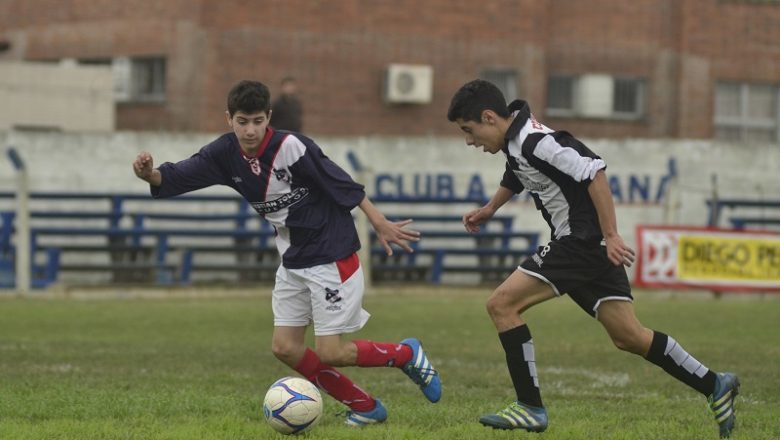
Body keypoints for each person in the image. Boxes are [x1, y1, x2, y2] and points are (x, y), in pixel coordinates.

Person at [132, 80, 441, 427]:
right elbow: (178, 176)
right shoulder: (224, 153)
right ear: (228, 120)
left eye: (257, 121)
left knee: (331, 352)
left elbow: (340, 182)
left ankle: (406, 354)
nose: (250, 130)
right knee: (285, 347)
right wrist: (150, 174)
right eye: (242, 121)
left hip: (331, 253)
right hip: (293, 258)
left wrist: (379, 222)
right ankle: (365, 406)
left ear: (269, 118)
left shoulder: (292, 147)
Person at [446, 79, 739, 438]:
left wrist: (612, 234)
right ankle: (715, 384)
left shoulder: (538, 142)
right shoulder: (516, 142)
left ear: (489, 117)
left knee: (501, 305)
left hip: (580, 243)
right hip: (590, 247)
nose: (469, 140)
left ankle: (529, 407)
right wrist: (491, 208)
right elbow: (518, 172)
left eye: (469, 130)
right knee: (629, 336)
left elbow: (593, 172)